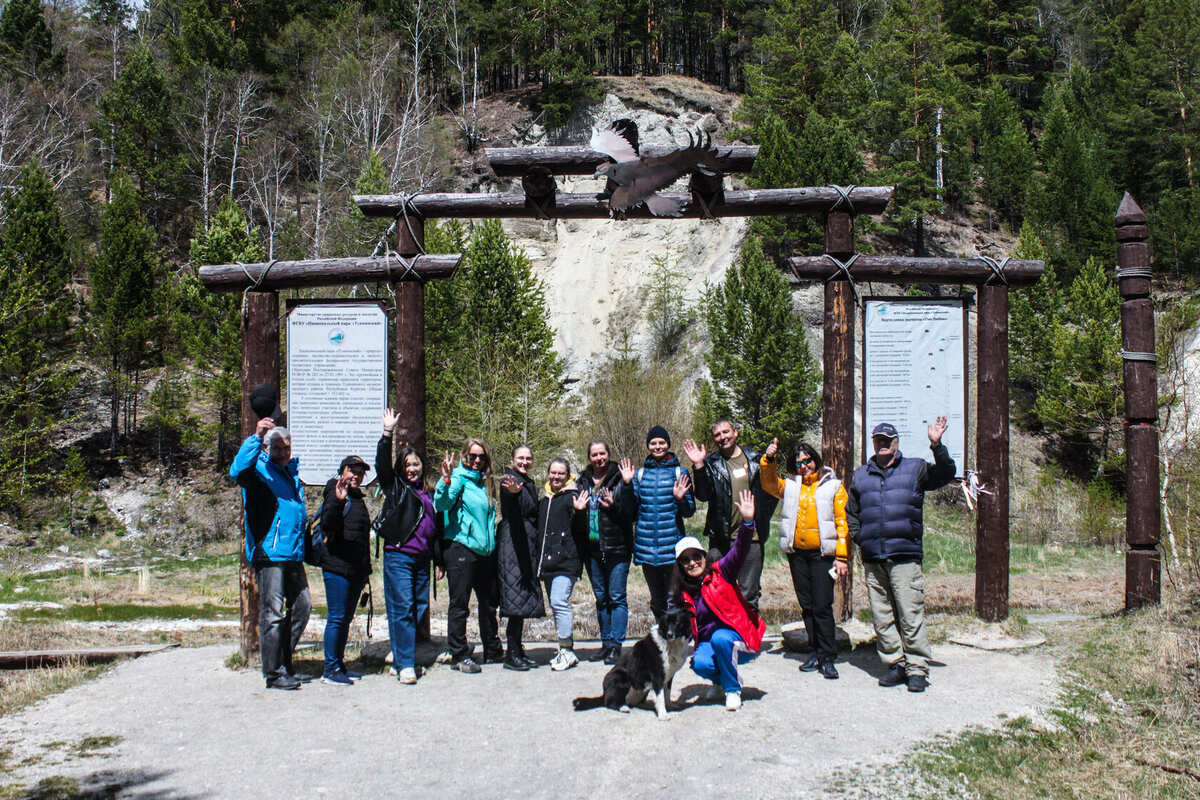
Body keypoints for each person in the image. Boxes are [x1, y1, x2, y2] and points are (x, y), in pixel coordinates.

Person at [847, 418, 956, 693]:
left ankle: (917, 668)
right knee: (882, 615)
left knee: (910, 612)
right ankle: (895, 663)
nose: (883, 444)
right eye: (879, 440)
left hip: (905, 555)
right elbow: (851, 513)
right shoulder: (861, 475)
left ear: (897, 443)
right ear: (873, 444)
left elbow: (946, 474)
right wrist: (860, 538)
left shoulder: (915, 469)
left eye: (888, 440)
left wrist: (937, 445)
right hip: (874, 558)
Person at [230, 416, 311, 690]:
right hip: (270, 551)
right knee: (272, 612)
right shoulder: (258, 470)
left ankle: (283, 662)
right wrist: (255, 437)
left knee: (302, 606)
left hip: (292, 553)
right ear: (266, 447)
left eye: (286, 448)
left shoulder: (291, 474)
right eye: (277, 447)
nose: (283, 452)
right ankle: (274, 673)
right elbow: (236, 471)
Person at [760, 438, 849, 679]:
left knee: (822, 606)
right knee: (807, 606)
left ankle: (828, 655)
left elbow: (843, 522)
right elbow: (768, 485)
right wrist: (768, 460)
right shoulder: (790, 487)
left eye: (807, 461)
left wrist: (842, 556)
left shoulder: (833, 486)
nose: (804, 466)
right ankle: (816, 652)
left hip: (823, 555)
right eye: (798, 463)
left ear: (815, 460)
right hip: (797, 554)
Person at [672, 489, 766, 712]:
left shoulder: (721, 572)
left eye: (696, 556)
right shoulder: (683, 594)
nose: (693, 563)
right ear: (681, 566)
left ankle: (732, 690)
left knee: (720, 638)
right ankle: (721, 681)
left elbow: (740, 550)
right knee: (699, 663)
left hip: (738, 637)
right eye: (686, 560)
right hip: (709, 642)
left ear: (705, 557)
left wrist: (748, 522)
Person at [683, 419, 778, 612]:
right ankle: (722, 637)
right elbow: (702, 495)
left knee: (748, 593)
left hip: (751, 537)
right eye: (717, 435)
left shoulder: (754, 460)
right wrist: (699, 466)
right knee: (716, 589)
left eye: (726, 432)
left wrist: (760, 519)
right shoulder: (711, 462)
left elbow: (771, 493)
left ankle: (748, 640)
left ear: (735, 433)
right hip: (720, 538)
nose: (722, 437)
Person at [376, 409, 439, 685]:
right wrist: (387, 433)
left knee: (417, 607)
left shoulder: (428, 493)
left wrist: (438, 560)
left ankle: (401, 658)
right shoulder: (395, 487)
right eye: (408, 465)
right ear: (401, 468)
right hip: (399, 555)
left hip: (422, 559)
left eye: (416, 464)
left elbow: (435, 529)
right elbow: (381, 467)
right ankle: (405, 665)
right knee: (403, 607)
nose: (413, 468)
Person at [435, 438, 503, 674]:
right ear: (464, 456)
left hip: (484, 552)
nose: (476, 460)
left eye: (481, 457)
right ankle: (459, 654)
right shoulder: (457, 479)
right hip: (461, 548)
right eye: (472, 456)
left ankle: (492, 649)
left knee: (488, 602)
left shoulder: (485, 483)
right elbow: (442, 504)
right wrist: (444, 479)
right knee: (460, 604)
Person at [620, 425, 694, 628]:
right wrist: (627, 484)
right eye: (653, 443)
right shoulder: (639, 474)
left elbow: (689, 511)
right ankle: (663, 634)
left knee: (674, 598)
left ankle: (676, 636)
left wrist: (680, 499)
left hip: (672, 547)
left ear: (668, 445)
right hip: (646, 547)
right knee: (657, 600)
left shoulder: (680, 472)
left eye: (662, 442)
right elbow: (630, 511)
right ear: (648, 446)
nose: (658, 446)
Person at [573, 441, 634, 666]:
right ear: (589, 457)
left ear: (609, 454)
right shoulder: (582, 481)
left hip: (617, 547)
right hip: (592, 548)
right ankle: (606, 643)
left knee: (617, 596)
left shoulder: (620, 477)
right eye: (595, 454)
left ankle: (616, 646)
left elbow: (631, 512)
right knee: (601, 598)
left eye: (603, 453)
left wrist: (615, 505)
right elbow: (577, 513)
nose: (600, 458)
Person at [316, 455, 372, 686]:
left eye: (360, 472)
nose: (356, 475)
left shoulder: (357, 497)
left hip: (355, 568)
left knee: (346, 618)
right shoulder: (335, 491)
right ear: (342, 472)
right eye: (352, 471)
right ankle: (330, 669)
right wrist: (338, 501)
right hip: (337, 566)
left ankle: (339, 665)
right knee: (337, 617)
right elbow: (328, 525)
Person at [536, 457, 590, 671]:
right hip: (548, 562)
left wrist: (578, 511)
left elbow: (579, 528)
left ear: (568, 476)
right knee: (556, 605)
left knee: (559, 602)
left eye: (561, 473)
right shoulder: (545, 499)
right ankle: (564, 648)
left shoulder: (572, 497)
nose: (556, 477)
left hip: (566, 562)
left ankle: (567, 651)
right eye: (553, 473)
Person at [497, 444, 545, 671]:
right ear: (512, 459)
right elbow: (513, 499)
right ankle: (511, 654)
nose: (524, 462)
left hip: (525, 544)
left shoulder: (527, 482)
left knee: (521, 598)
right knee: (516, 599)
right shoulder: (510, 481)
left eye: (528, 458)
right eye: (520, 458)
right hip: (514, 545)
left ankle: (517, 649)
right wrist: (515, 492)